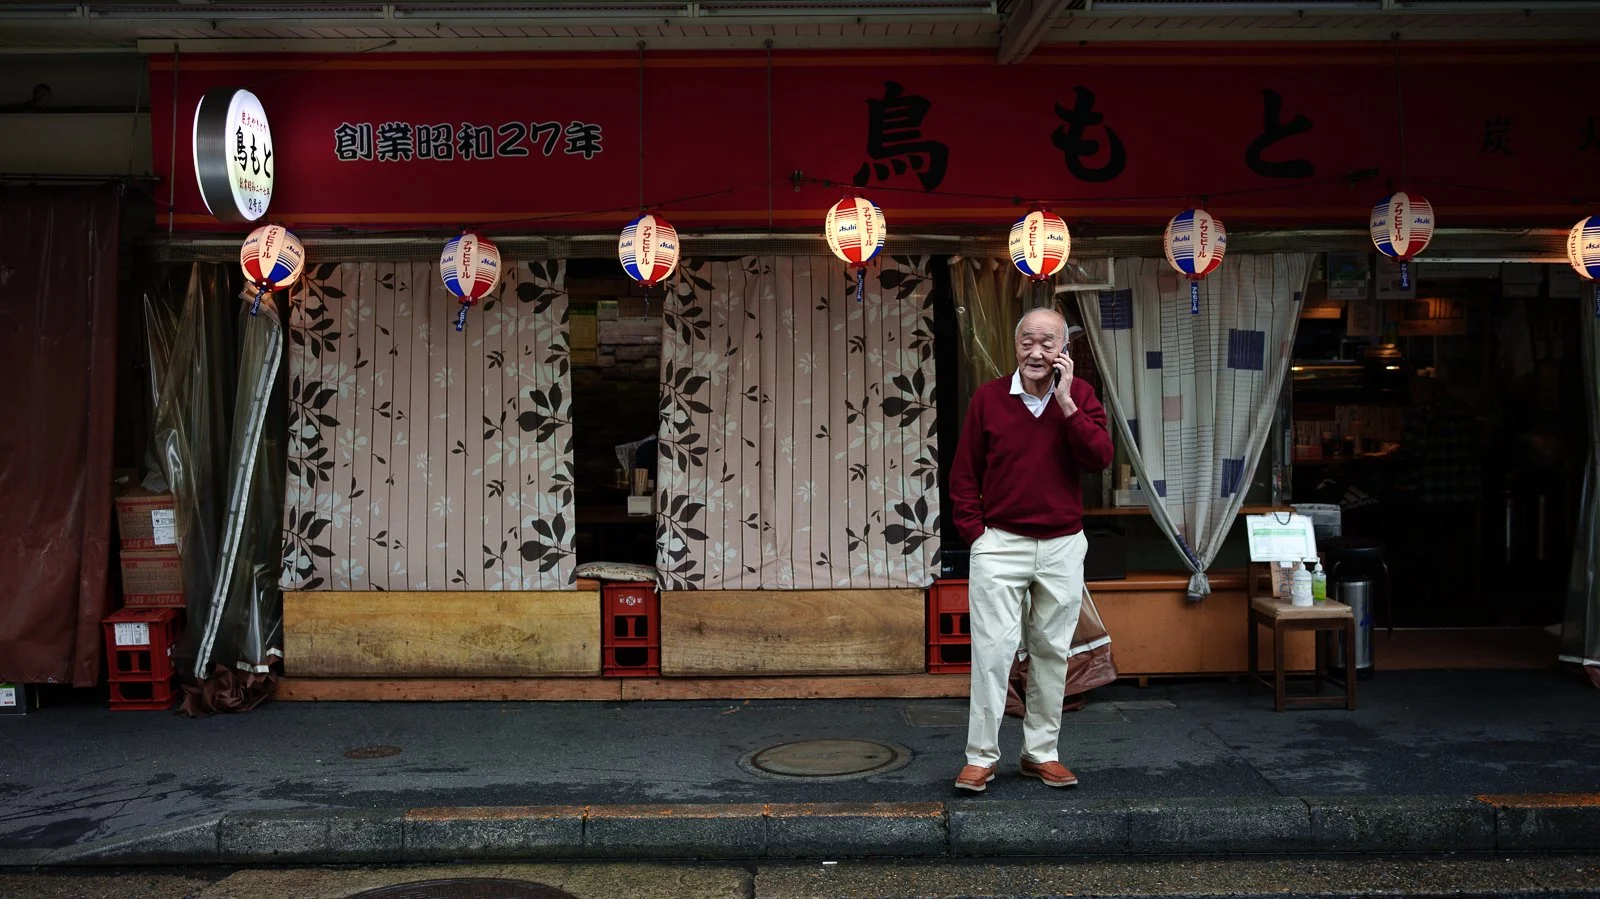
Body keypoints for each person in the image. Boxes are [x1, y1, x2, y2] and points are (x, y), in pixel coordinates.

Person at [947, 307, 1114, 792]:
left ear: (1063, 350)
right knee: (993, 652)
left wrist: (1066, 404)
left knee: (1051, 652)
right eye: (1027, 342)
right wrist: (975, 533)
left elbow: (1098, 458)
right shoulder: (989, 399)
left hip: (1062, 543)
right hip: (1000, 542)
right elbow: (964, 474)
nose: (1036, 352)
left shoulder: (1079, 397)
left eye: (1047, 343)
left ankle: (1040, 752)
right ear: (1016, 345)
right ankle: (981, 756)